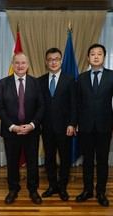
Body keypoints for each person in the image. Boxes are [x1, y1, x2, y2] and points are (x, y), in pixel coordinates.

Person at [75, 43, 113, 207]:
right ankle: (87, 190)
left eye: (99, 54)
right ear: (88, 58)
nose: (96, 56)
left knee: (102, 160)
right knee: (87, 160)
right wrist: (74, 123)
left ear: (104, 57)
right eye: (93, 54)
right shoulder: (81, 77)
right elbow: (77, 102)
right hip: (85, 126)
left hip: (105, 125)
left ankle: (101, 192)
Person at [0, 52, 44, 205]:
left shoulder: (36, 83)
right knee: (12, 162)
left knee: (32, 162)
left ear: (27, 65)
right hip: (11, 131)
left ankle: (33, 189)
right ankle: (13, 189)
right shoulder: (3, 83)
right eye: (17, 63)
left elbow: (41, 107)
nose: (20, 66)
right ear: (12, 64)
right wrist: (12, 126)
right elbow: (0, 108)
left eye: (23, 63)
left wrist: (31, 125)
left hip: (31, 131)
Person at [38, 47, 77, 201]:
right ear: (46, 62)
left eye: (56, 59)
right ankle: (52, 185)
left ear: (61, 61)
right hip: (46, 128)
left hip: (64, 128)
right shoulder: (40, 81)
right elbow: (38, 105)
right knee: (49, 159)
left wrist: (72, 124)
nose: (53, 62)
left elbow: (74, 105)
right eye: (50, 59)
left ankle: (62, 187)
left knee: (65, 158)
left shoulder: (70, 80)